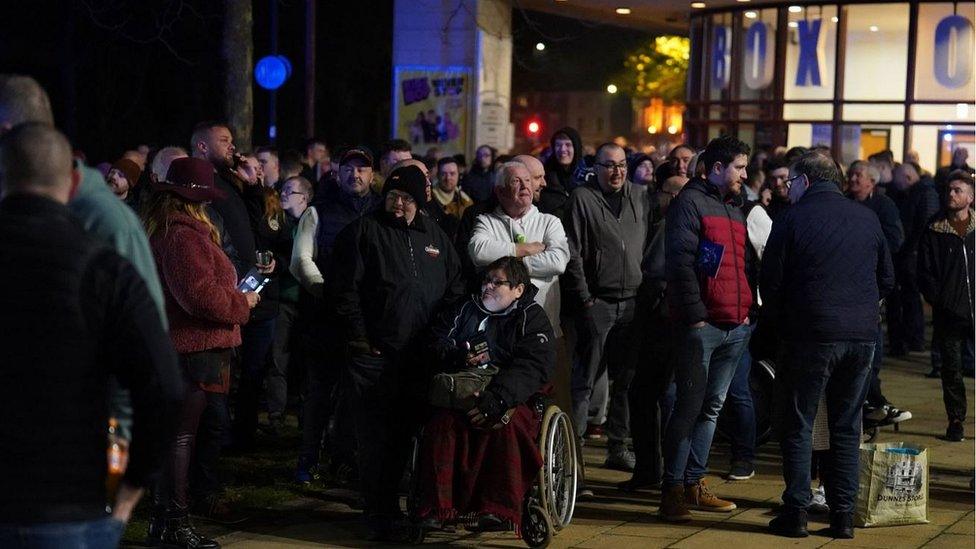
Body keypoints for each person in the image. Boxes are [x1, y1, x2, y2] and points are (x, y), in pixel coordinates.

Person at [0, 122, 181, 548]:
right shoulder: (103, 268)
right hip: (69, 506)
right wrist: (132, 487)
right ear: (74, 182)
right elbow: (165, 385)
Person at [0, 73, 170, 469]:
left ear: (7, 132)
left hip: (67, 467)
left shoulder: (106, 221)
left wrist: (118, 472)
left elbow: (146, 352)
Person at [328, 164, 464, 541]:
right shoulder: (364, 232)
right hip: (375, 357)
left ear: (421, 202)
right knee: (376, 440)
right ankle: (379, 515)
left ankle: (412, 510)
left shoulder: (434, 235)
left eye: (407, 199)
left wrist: (439, 336)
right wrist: (359, 339)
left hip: (419, 357)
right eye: (393, 196)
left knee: (409, 437)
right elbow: (344, 292)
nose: (399, 204)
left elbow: (455, 289)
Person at [762, 152, 894, 540]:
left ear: (804, 181)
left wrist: (784, 323)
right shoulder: (866, 217)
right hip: (861, 336)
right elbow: (887, 278)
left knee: (800, 423)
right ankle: (841, 516)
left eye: (791, 183)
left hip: (811, 334)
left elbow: (771, 284)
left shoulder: (791, 219)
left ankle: (797, 512)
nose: (788, 189)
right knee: (847, 425)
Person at [143, 156, 259, 548]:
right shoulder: (181, 236)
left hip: (187, 349)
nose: (209, 205)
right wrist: (242, 303)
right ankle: (174, 523)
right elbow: (199, 297)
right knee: (179, 438)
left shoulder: (179, 231)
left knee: (179, 437)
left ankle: (164, 522)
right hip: (187, 350)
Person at [416, 257, 555, 533]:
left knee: (506, 427)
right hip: (462, 391)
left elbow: (533, 365)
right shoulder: (463, 309)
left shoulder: (532, 317)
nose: (488, 286)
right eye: (486, 280)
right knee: (442, 425)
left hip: (509, 394)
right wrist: (458, 354)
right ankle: (439, 506)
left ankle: (498, 508)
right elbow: (434, 343)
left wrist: (499, 397)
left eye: (497, 282)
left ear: (518, 289)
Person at [660, 135, 753, 522]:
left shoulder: (734, 206)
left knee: (712, 407)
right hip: (702, 325)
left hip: (735, 324)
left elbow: (740, 263)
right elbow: (680, 263)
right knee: (689, 406)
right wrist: (697, 314)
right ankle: (673, 491)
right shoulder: (690, 203)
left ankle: (695, 482)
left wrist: (747, 311)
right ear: (716, 168)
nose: (744, 175)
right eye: (739, 167)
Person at [189, 121, 273, 515]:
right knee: (205, 413)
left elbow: (251, 229)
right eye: (224, 140)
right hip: (214, 309)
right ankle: (192, 494)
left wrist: (253, 189)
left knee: (223, 400)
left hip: (240, 293)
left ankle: (204, 485)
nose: (232, 146)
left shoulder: (227, 184)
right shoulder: (199, 191)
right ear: (202, 146)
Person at [290, 147, 383, 482]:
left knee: (354, 396)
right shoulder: (319, 212)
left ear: (372, 175)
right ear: (337, 173)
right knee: (319, 393)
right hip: (325, 318)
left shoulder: (382, 211)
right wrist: (329, 293)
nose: (355, 175)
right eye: (348, 169)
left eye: (362, 169)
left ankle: (344, 459)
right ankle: (308, 459)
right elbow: (301, 261)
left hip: (365, 323)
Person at [564, 143, 650, 472]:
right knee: (585, 380)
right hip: (598, 301)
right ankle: (574, 453)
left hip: (631, 302)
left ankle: (619, 446)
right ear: (595, 167)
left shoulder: (640, 196)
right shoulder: (582, 199)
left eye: (622, 165)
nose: (616, 172)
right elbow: (573, 251)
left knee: (625, 380)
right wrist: (585, 297)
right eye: (609, 165)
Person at [468, 160, 570, 407]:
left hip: (547, 328)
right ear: (500, 191)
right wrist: (525, 249)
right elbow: (479, 252)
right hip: (498, 335)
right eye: (516, 181)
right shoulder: (486, 222)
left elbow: (558, 261)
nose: (525, 186)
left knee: (557, 400)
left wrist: (508, 269)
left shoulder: (549, 222)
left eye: (527, 180)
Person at [847, 160, 911, 424]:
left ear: (872, 181)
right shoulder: (843, 203)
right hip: (848, 283)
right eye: (850, 174)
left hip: (871, 284)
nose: (852, 179)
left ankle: (874, 399)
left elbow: (895, 240)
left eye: (858, 175)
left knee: (872, 346)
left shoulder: (883, 206)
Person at [918, 171, 975, 442]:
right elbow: (925, 271)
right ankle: (955, 420)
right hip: (950, 313)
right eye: (949, 190)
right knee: (951, 370)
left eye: (958, 190)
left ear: (970, 197)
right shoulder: (934, 229)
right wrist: (939, 301)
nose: (952, 195)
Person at [262, 175, 313, 436]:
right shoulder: (278, 224)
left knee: (304, 364)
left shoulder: (313, 225)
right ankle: (276, 417)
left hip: (306, 304)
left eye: (290, 191)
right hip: (283, 301)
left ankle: (305, 419)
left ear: (304, 198)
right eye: (283, 189)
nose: (283, 194)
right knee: (278, 360)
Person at [888, 162, 940, 357]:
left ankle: (915, 339)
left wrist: (910, 251)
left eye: (898, 178)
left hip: (914, 255)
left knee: (911, 297)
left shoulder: (925, 194)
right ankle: (912, 338)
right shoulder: (916, 193)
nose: (894, 182)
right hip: (911, 254)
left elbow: (922, 227)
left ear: (909, 177)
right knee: (909, 298)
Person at [540, 127, 585, 219]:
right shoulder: (544, 177)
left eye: (568, 145)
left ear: (576, 148)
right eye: (558, 145)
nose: (562, 149)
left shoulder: (587, 177)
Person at [432, 156, 473, 221]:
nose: (448, 178)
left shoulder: (466, 201)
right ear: (438, 175)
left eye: (452, 173)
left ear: (458, 175)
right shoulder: (430, 199)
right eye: (443, 174)